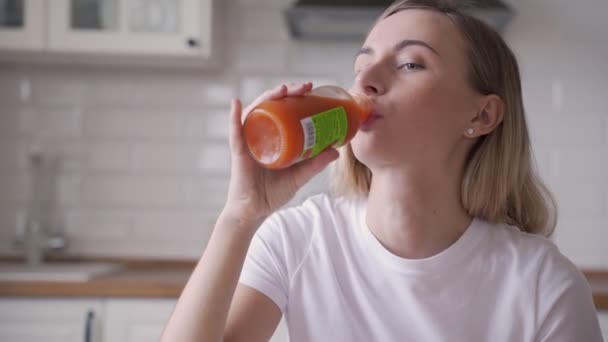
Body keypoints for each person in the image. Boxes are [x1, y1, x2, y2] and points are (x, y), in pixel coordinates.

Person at [161, 0, 603, 341]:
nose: (367, 79)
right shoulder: (298, 240)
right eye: (360, 65)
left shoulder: (544, 285)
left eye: (410, 63)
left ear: (482, 116)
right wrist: (240, 215)